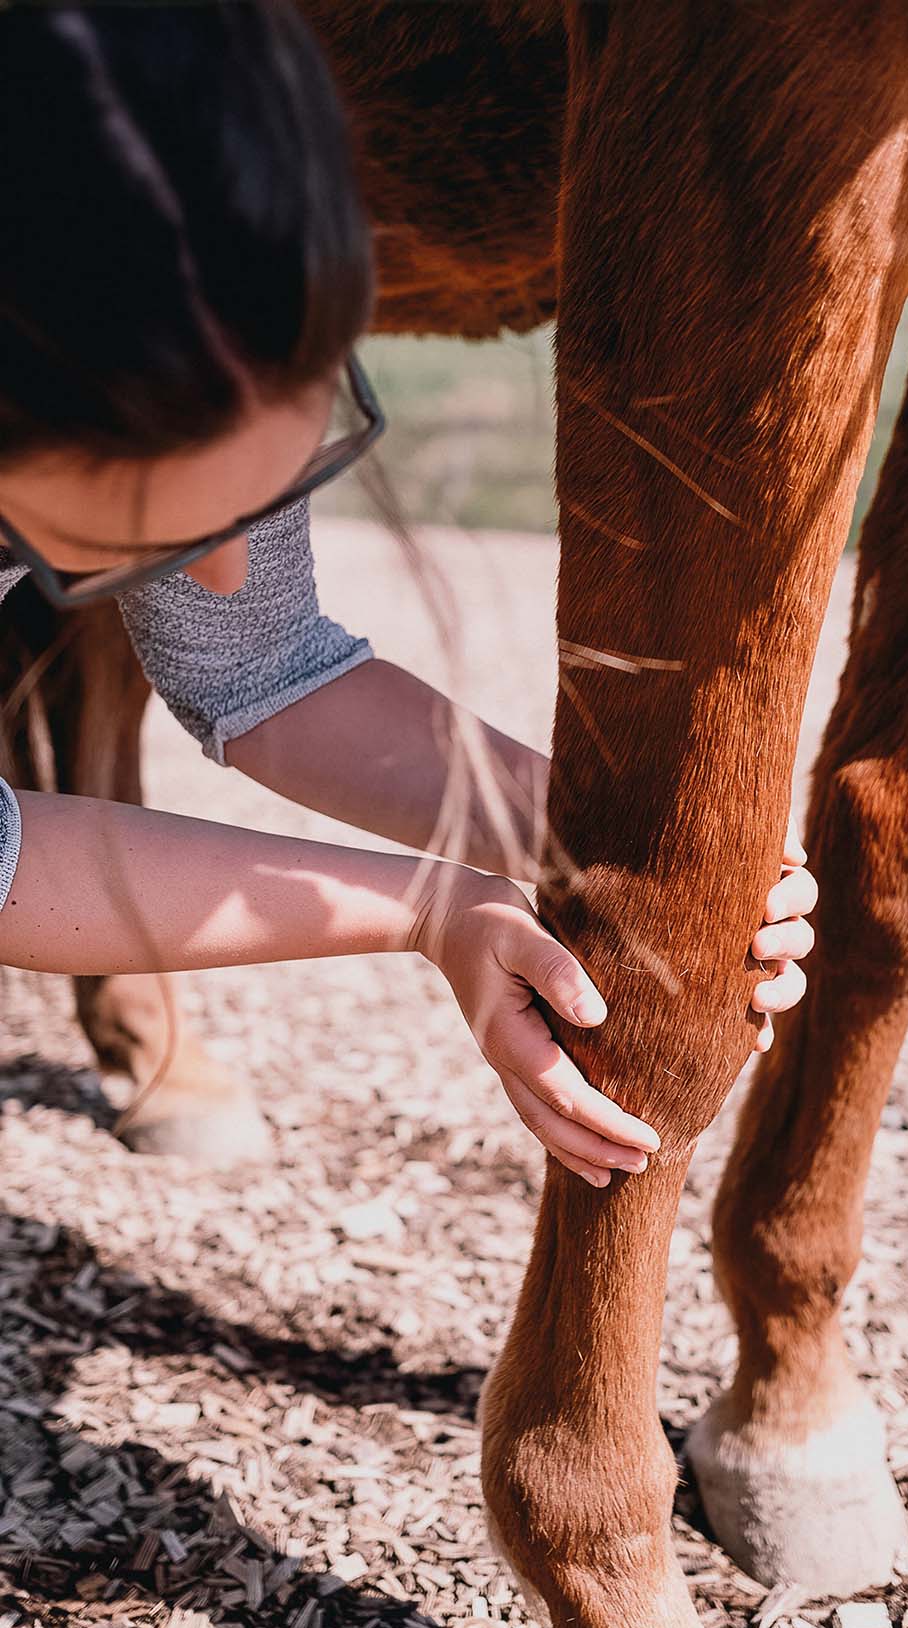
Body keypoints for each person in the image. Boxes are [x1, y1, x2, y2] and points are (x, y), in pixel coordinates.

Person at [0, 0, 815, 1190]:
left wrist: (624, 844)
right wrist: (419, 909)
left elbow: (260, 665)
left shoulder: (208, 245)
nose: (222, 574)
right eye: (155, 532)